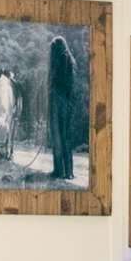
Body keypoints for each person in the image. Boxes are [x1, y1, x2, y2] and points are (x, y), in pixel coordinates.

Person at [46, 34, 85, 184]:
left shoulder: (58, 61)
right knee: (66, 137)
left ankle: (58, 171)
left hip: (58, 102)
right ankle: (69, 172)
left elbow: (54, 83)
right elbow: (72, 86)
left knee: (57, 136)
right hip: (68, 104)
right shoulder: (70, 60)